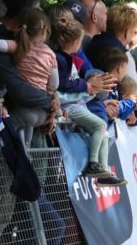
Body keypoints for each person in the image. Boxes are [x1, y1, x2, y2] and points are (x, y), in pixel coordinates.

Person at [51, 13, 123, 186]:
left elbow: (82, 80)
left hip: (78, 104)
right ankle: (93, 164)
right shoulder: (59, 59)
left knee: (103, 132)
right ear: (76, 42)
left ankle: (103, 171)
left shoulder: (72, 59)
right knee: (100, 126)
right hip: (70, 106)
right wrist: (87, 87)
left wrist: (92, 90)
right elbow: (62, 84)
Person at [9, 9, 57, 144]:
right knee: (26, 144)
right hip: (41, 113)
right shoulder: (49, 53)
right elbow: (55, 83)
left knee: (13, 139)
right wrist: (51, 94)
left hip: (20, 108)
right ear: (44, 31)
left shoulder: (17, 46)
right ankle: (25, 155)